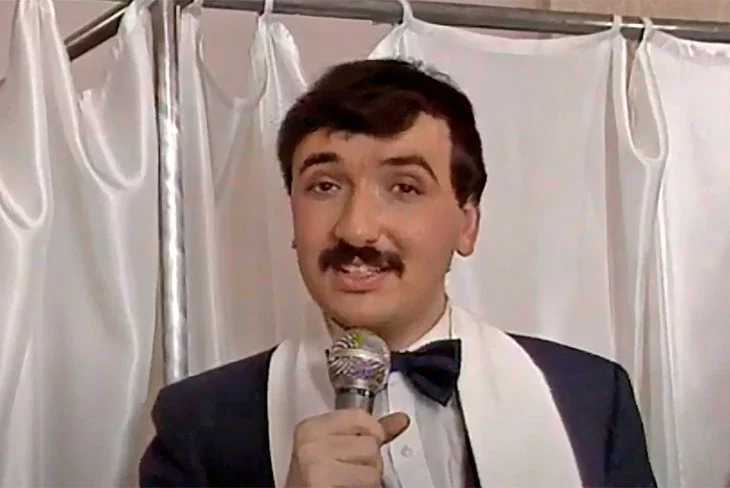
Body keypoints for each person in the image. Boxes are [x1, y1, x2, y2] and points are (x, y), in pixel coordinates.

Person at [139, 58, 657, 488]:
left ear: (467, 224)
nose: (357, 229)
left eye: (404, 187)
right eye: (324, 186)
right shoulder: (199, 424)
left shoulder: (590, 398)